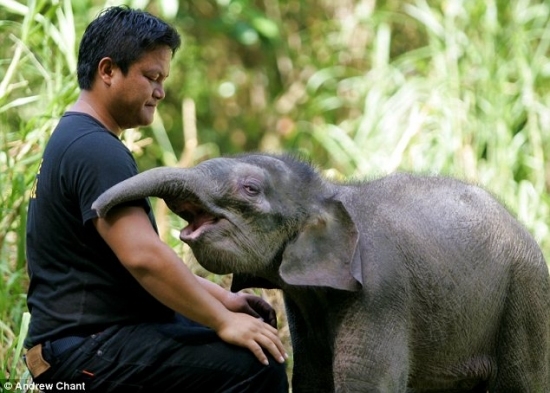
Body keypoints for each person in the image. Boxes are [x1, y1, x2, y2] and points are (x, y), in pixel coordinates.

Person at [24, 5, 289, 392]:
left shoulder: (74, 139)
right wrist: (222, 321)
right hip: (80, 354)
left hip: (83, 345)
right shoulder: (96, 150)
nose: (160, 92)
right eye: (151, 77)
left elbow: (129, 265)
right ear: (108, 71)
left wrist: (223, 300)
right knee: (253, 365)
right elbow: (143, 257)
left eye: (163, 79)